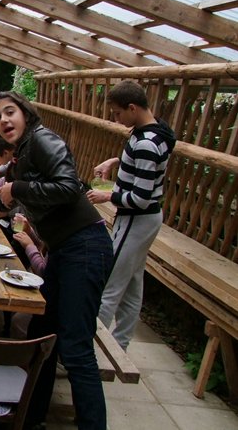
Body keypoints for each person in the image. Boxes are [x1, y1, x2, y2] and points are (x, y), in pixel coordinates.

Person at [0, 91, 114, 430]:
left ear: (26, 114)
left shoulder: (43, 139)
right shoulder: (23, 154)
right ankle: (30, 417)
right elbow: (2, 200)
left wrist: (17, 188)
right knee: (43, 334)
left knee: (75, 347)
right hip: (63, 250)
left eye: (9, 111)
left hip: (85, 247)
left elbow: (69, 187)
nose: (3, 120)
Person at [87, 80, 176, 351]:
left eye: (118, 113)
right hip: (147, 220)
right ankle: (120, 345)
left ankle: (90, 351)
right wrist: (116, 160)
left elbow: (140, 197)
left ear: (133, 108)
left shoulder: (147, 142)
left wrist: (108, 195)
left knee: (108, 286)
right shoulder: (154, 130)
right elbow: (143, 164)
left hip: (136, 219)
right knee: (133, 286)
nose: (116, 119)